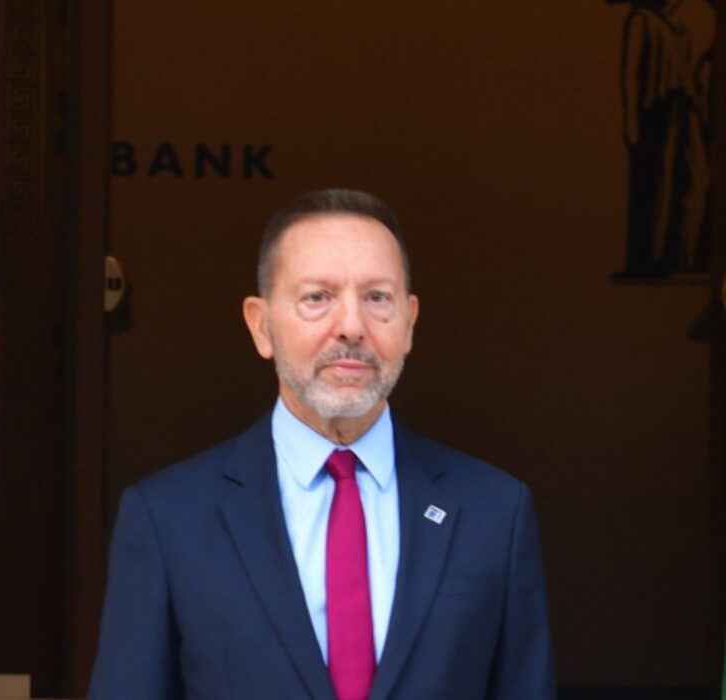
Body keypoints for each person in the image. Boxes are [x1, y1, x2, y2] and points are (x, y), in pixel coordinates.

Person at [89, 189, 556, 699]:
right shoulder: (168, 519)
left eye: (377, 297)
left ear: (409, 322)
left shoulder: (495, 512)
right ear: (261, 325)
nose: (351, 326)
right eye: (317, 297)